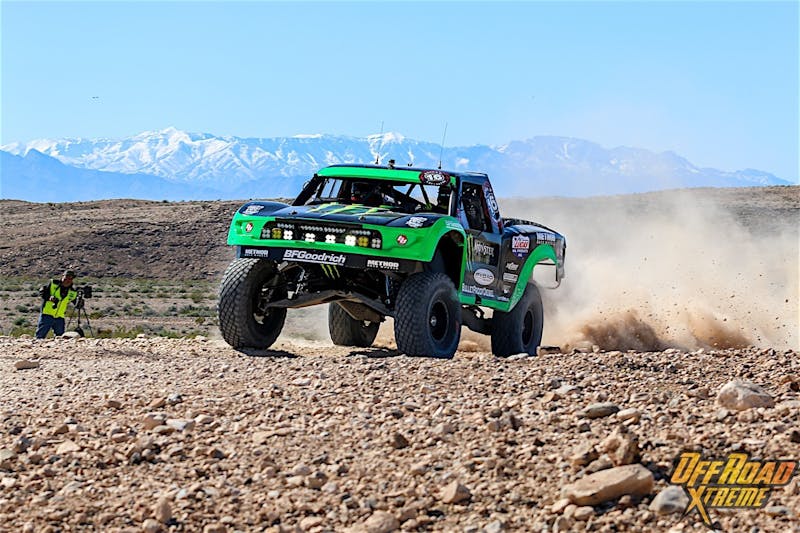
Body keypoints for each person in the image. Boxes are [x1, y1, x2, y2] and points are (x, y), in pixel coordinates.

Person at [36, 270, 78, 339]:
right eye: (66, 278)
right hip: (47, 314)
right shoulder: (53, 283)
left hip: (60, 317)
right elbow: (42, 292)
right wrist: (49, 298)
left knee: (60, 337)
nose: (67, 280)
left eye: (70, 278)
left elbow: (76, 303)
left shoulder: (73, 291)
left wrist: (80, 302)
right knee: (40, 336)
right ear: (62, 276)